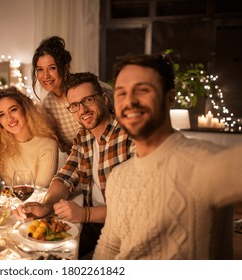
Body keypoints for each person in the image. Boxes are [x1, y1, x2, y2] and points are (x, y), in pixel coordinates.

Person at [93, 54, 241, 260]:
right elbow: (109, 245)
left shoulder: (200, 162)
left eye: (143, 90)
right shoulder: (118, 177)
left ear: (170, 98)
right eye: (121, 93)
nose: (130, 101)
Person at [14, 72, 134, 258]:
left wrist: (85, 214)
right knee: (35, 254)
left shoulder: (129, 135)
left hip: (124, 233)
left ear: (104, 99)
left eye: (88, 100)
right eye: (75, 106)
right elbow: (65, 176)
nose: (83, 110)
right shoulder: (83, 136)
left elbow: (135, 206)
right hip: (92, 226)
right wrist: (46, 205)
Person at [31, 36, 114, 156]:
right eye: (40, 70)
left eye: (52, 68)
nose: (45, 76)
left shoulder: (91, 88)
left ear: (64, 68)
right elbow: (65, 148)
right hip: (82, 162)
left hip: (114, 151)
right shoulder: (47, 107)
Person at [0, 86, 59, 188]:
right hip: (8, 202)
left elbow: (40, 189)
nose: (9, 118)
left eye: (13, 110)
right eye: (2, 115)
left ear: (25, 109)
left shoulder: (47, 145)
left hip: (36, 202)